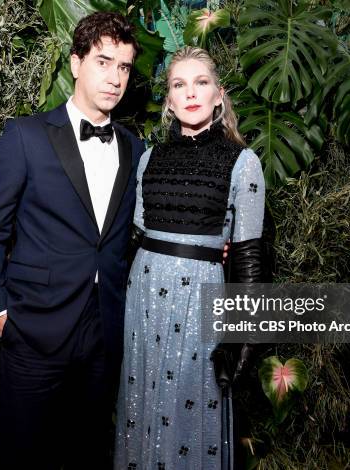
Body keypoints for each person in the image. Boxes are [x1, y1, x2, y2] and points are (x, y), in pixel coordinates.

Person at [0, 12, 144, 469]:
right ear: (75, 63)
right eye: (103, 62)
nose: (114, 78)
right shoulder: (26, 136)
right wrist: (0, 314)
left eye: (123, 67)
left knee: (87, 456)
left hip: (103, 339)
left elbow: (138, 231)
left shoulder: (134, 148)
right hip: (32, 335)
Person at [114, 46, 265, 470]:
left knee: (190, 411)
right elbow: (136, 235)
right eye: (179, 85)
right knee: (140, 406)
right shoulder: (149, 158)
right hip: (143, 299)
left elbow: (250, 255)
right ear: (169, 100)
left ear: (219, 95)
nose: (191, 93)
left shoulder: (244, 162)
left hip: (201, 301)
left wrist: (243, 338)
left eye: (201, 83)